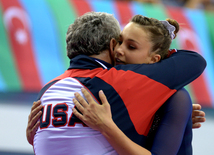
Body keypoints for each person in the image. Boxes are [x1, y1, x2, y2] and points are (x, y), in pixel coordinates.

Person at [27, 12, 206, 155]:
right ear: (111, 44)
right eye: (119, 42)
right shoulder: (119, 81)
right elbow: (194, 60)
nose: (119, 50)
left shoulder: (49, 89)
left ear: (155, 59)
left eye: (131, 46)